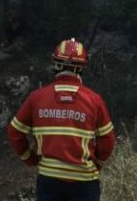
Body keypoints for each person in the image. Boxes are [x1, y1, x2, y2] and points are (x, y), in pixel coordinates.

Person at [7, 38, 116, 201]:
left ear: (56, 64)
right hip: (84, 183)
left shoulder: (37, 98)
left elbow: (14, 132)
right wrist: (97, 164)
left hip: (48, 180)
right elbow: (108, 140)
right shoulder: (94, 100)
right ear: (82, 67)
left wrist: (30, 159)